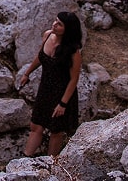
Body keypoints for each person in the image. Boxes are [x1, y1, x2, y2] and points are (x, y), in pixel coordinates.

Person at [18, 11, 83, 157]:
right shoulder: (47, 35)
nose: (55, 24)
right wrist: (27, 73)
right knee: (36, 125)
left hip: (62, 93)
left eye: (59, 24)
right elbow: (40, 57)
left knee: (55, 131)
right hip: (45, 88)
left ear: (68, 29)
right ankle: (26, 158)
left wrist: (63, 104)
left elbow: (74, 79)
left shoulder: (73, 52)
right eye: (55, 20)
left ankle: (51, 163)